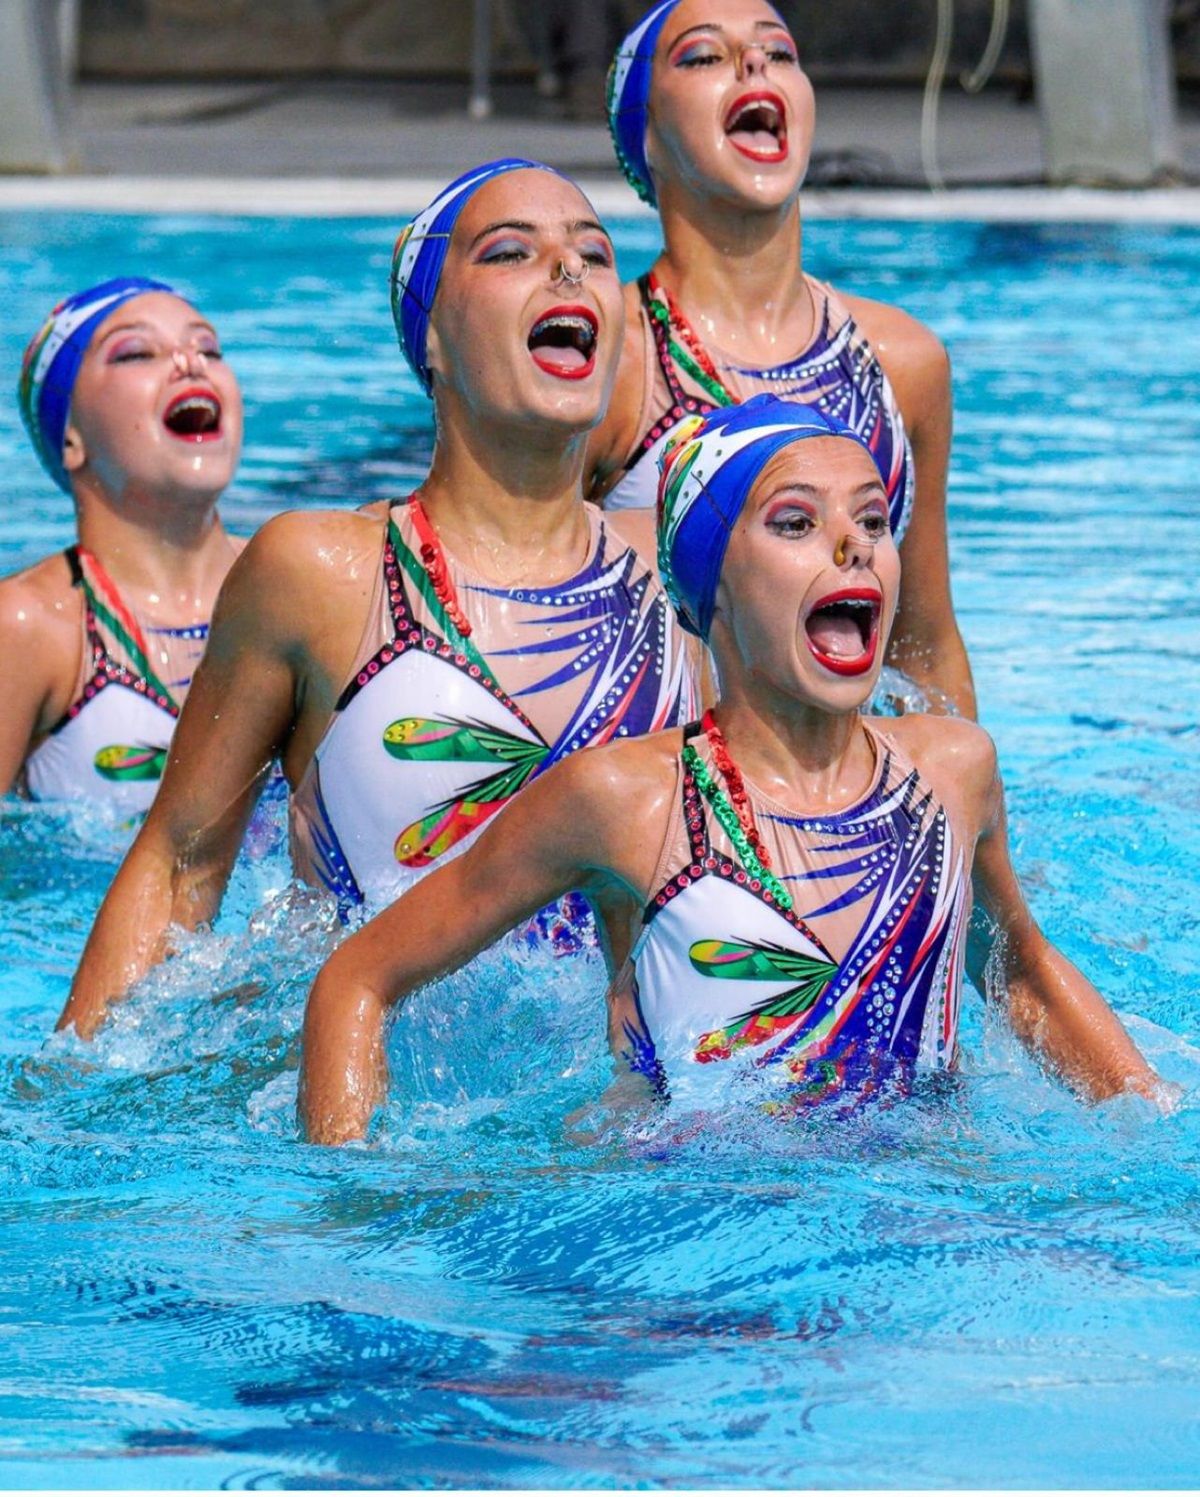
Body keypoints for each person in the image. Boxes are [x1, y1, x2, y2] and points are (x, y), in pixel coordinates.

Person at [299, 395, 1161, 1145]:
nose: (853, 546)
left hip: (914, 1219)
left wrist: (1158, 1133)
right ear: (705, 586)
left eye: (871, 520)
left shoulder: (954, 770)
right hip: (679, 1234)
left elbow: (1022, 977)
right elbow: (358, 977)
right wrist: (349, 1202)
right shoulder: (629, 799)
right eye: (796, 523)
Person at [62, 159, 700, 1041]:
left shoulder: (684, 572)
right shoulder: (323, 572)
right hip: (382, 1123)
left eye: (593, 254)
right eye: (511, 252)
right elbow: (180, 860)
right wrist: (77, 1106)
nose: (567, 269)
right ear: (430, 335)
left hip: (631, 1136)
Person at [589, 0, 976, 717]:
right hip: (672, 799)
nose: (752, 64)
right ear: (643, 134)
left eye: (779, 52)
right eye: (704, 55)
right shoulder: (609, 361)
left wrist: (973, 821)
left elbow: (923, 644)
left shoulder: (903, 361)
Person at [2, 277, 244, 811]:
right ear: (70, 438)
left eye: (208, 347)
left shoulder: (297, 581)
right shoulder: (31, 627)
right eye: (137, 354)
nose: (189, 363)